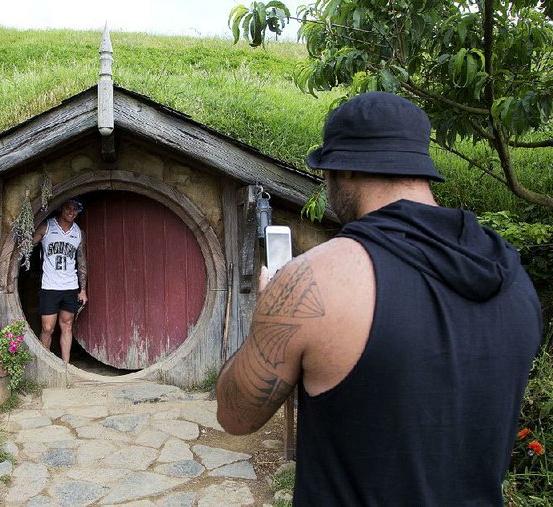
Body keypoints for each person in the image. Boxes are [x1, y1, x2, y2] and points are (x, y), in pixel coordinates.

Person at [216, 92, 542, 505]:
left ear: (344, 168)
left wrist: (267, 313)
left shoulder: (311, 281)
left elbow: (235, 415)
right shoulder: (513, 277)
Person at [31, 197, 88, 365]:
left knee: (67, 325)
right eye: (68, 208)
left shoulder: (78, 233)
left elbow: (82, 261)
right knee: (48, 328)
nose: (71, 212)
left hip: (70, 286)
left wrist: (82, 289)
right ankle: (45, 366)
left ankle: (65, 366)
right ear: (61, 209)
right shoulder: (47, 226)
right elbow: (27, 246)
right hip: (49, 286)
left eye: (75, 209)